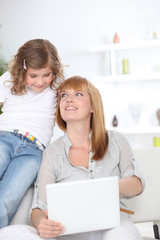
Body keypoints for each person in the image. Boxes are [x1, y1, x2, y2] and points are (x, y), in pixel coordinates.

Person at [30, 76, 145, 240]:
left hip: (114, 225)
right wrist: (41, 223)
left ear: (92, 106)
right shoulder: (51, 152)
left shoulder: (116, 140)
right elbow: (39, 206)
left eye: (78, 94)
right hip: (69, 229)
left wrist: (99, 187)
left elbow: (137, 184)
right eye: (63, 95)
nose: (69, 99)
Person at [0, 39, 64, 228]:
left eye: (47, 75)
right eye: (34, 75)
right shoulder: (9, 78)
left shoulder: (58, 85)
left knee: (9, 197)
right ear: (23, 68)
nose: (40, 81)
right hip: (4, 138)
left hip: (33, 151)